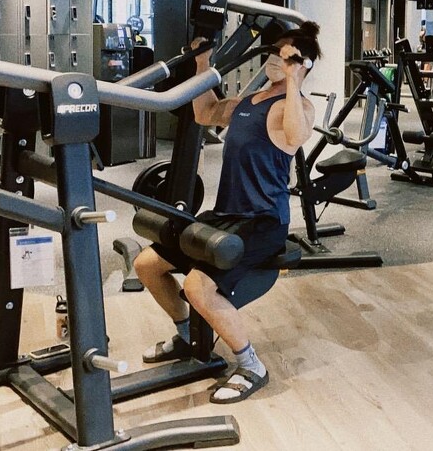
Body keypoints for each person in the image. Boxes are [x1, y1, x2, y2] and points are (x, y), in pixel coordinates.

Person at [133, 22, 320, 405]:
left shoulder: (297, 107)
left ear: (302, 64)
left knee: (197, 286)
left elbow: (296, 136)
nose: (274, 59)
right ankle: (186, 336)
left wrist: (294, 78)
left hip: (263, 222)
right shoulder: (248, 102)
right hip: (227, 215)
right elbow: (205, 112)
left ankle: (252, 365)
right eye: (274, 52)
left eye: (284, 54)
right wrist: (203, 63)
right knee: (146, 265)